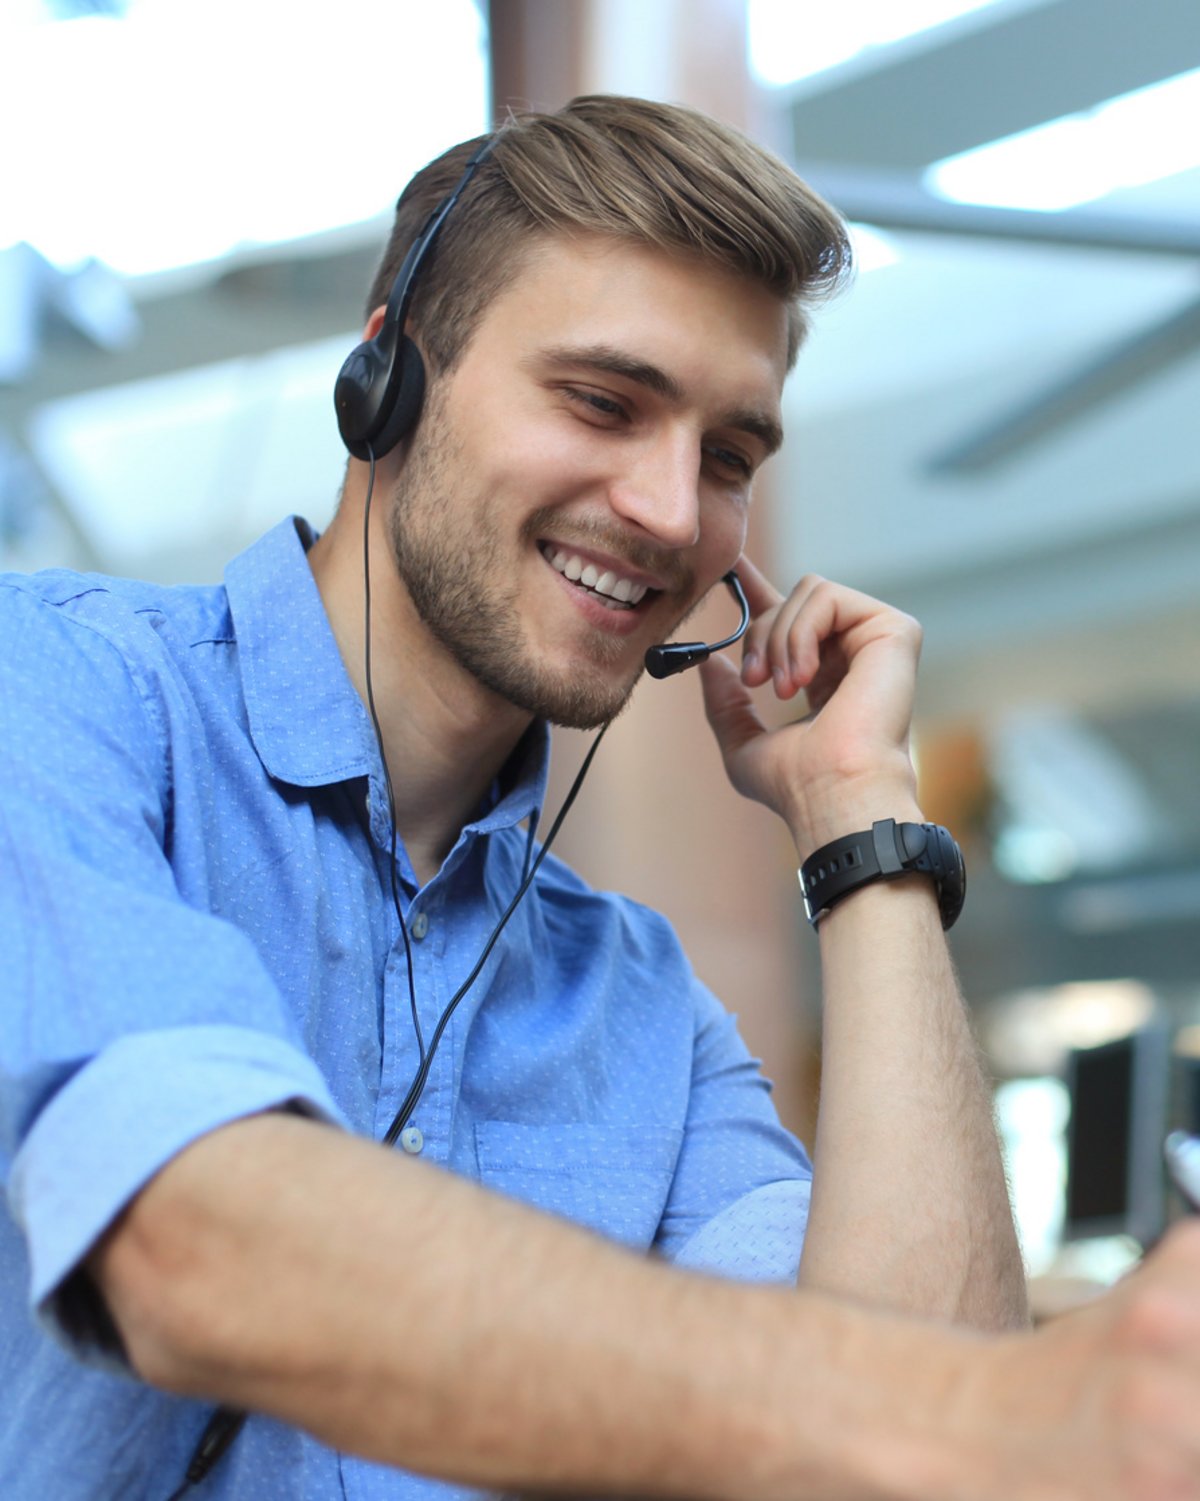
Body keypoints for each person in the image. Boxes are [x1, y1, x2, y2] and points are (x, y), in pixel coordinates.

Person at [1, 93, 1198, 1501]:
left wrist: (857, 821)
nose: (671, 510)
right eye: (603, 401)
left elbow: (905, 1464)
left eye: (730, 455)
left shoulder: (645, 1010)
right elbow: (184, 1241)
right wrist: (997, 1415)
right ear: (383, 381)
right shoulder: (57, 697)